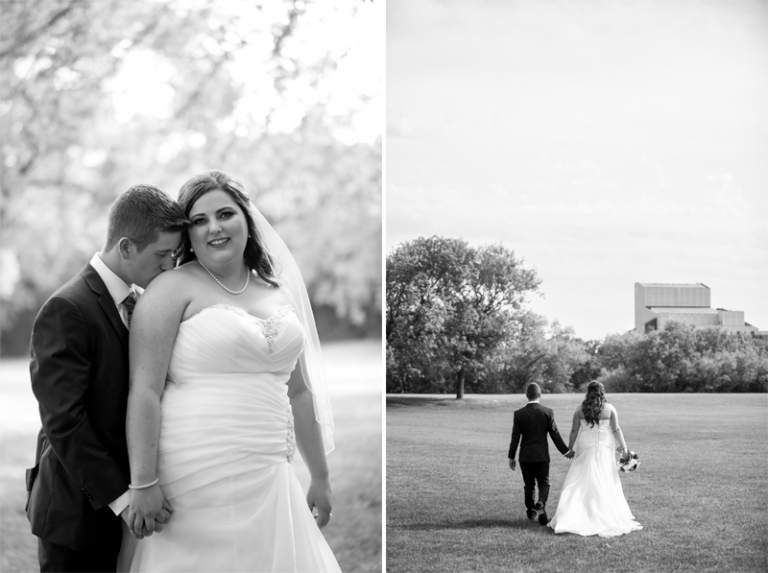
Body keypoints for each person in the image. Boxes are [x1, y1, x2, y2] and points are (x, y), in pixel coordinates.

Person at [121, 170, 341, 572]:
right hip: (193, 474)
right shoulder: (170, 290)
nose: (214, 228)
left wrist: (320, 477)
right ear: (187, 234)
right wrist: (144, 481)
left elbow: (300, 392)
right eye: (199, 221)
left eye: (225, 214)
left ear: (247, 218)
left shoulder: (279, 292)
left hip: (270, 473)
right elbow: (144, 391)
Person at [26, 185, 187, 572]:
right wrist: (125, 498)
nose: (169, 267)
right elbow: (65, 421)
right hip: (78, 513)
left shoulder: (140, 302)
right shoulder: (67, 308)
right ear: (127, 247)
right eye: (162, 255)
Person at [547, 381, 643, 537]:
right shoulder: (610, 409)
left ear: (588, 392)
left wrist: (569, 449)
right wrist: (624, 450)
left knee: (580, 478)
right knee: (605, 478)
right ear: (602, 392)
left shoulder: (579, 410)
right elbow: (616, 430)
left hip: (585, 445)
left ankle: (573, 515)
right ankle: (602, 513)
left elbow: (573, 430)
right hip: (606, 446)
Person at [508, 383, 572, 525]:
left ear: (527, 395)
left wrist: (511, 456)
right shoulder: (547, 412)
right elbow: (555, 434)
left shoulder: (519, 414)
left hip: (525, 457)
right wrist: (565, 451)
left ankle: (531, 511)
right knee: (544, 482)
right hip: (542, 456)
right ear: (540, 394)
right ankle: (541, 502)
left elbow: (515, 437)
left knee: (528, 485)